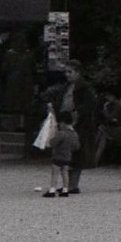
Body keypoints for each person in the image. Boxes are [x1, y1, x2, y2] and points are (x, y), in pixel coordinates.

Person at [44, 60, 98, 194]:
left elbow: (89, 105)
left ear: (78, 73)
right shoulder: (66, 87)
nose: (67, 74)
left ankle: (73, 184)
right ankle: (68, 184)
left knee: (77, 154)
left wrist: (76, 113)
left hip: (80, 124)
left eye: (70, 72)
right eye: (66, 72)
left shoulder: (85, 88)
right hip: (67, 122)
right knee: (67, 153)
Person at [43, 108, 80, 197]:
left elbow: (53, 143)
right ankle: (65, 189)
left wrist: (50, 140)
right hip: (68, 156)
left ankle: (52, 189)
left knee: (55, 172)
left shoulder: (61, 133)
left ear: (62, 123)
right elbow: (77, 146)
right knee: (65, 173)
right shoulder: (74, 134)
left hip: (58, 156)